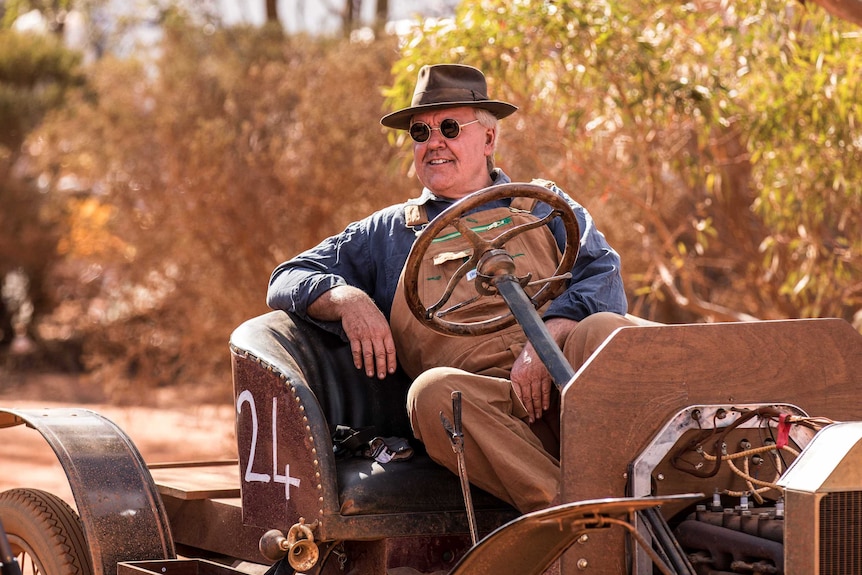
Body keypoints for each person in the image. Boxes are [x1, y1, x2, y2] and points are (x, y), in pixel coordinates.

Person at [267, 63, 634, 514]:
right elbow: (287, 277)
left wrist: (546, 341)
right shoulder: (388, 233)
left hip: (569, 383)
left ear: (489, 140)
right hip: (486, 408)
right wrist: (347, 298)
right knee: (432, 393)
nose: (433, 142)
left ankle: (676, 489)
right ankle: (581, 518)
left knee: (605, 329)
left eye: (449, 127)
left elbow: (604, 274)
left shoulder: (541, 204)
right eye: (421, 132)